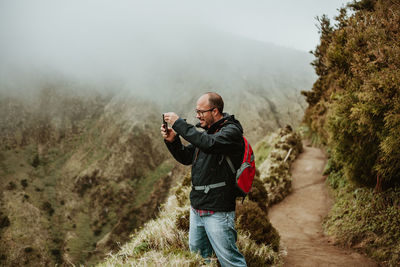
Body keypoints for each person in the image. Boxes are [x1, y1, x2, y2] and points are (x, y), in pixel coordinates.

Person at [161, 92, 247, 267]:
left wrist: (179, 124)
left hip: (218, 210)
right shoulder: (209, 133)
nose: (197, 115)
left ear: (215, 111)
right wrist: (173, 141)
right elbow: (187, 157)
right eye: (196, 111)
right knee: (200, 259)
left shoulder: (231, 132)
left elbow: (209, 143)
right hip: (197, 208)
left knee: (230, 261)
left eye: (201, 111)